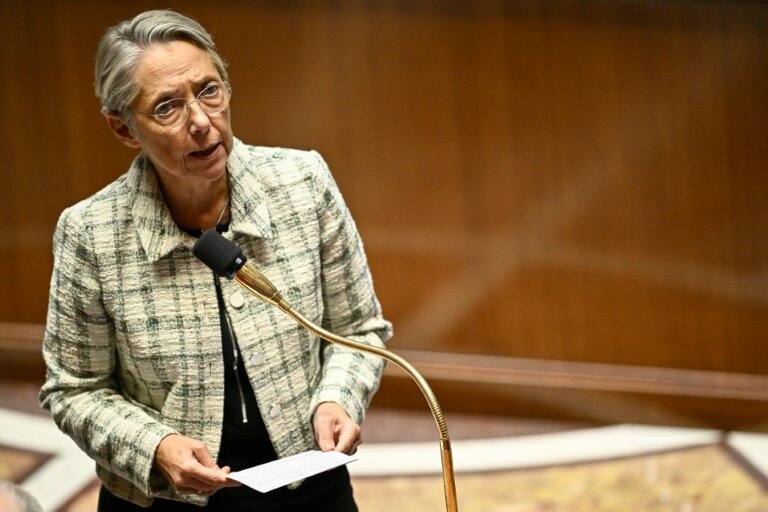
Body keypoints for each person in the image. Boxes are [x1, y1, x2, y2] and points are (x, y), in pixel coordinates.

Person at [39, 9, 392, 511]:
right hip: (163, 500)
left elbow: (358, 330)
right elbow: (75, 389)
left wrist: (338, 397)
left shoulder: (302, 183)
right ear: (124, 129)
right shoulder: (91, 233)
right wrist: (154, 446)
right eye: (167, 107)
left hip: (309, 483)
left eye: (209, 91)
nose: (202, 122)